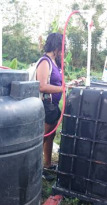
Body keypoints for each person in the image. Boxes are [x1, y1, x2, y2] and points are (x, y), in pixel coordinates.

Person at [35, 33, 64, 181]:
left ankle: (47, 164)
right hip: (45, 106)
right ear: (56, 46)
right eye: (62, 46)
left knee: (51, 135)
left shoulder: (55, 62)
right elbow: (41, 86)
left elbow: (57, 82)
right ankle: (37, 169)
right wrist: (62, 89)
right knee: (43, 138)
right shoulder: (45, 61)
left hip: (53, 106)